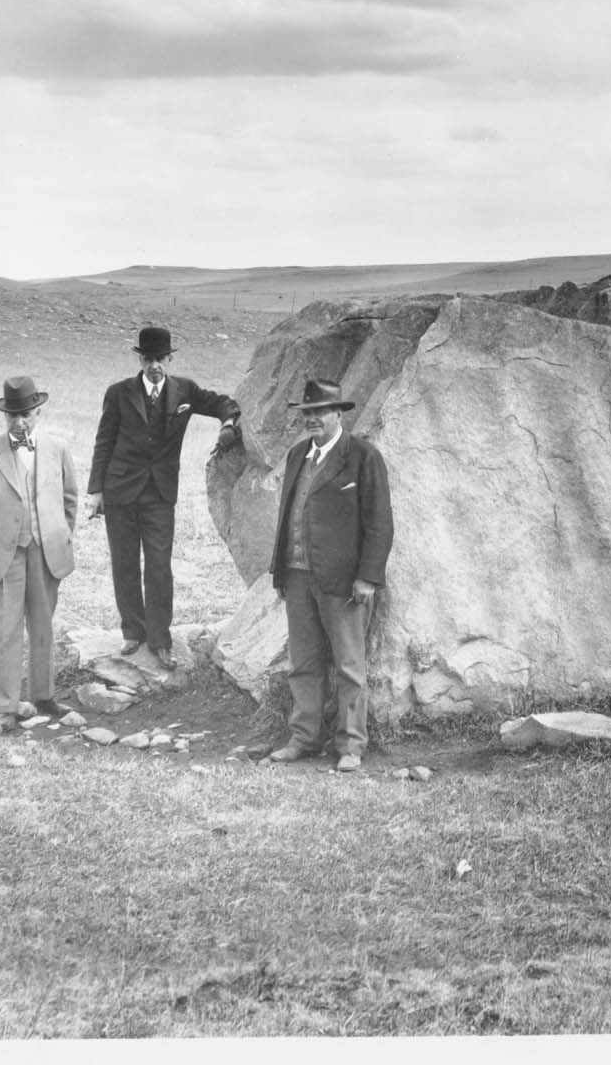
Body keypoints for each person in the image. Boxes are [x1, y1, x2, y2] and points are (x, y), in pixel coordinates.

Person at [85, 326, 241, 668]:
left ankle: (159, 638)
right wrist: (96, 491)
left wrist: (228, 424)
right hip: (121, 490)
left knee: (158, 566)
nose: (154, 364)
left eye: (160, 358)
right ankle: (132, 632)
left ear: (169, 358)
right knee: (124, 563)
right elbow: (103, 442)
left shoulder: (184, 390)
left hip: (160, 493)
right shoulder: (118, 393)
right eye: (148, 358)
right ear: (140, 359)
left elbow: (221, 403)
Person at [264, 379, 393, 773]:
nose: (313, 419)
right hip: (298, 576)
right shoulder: (299, 454)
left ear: (339, 413)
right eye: (307, 412)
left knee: (349, 665)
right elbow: (289, 514)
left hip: (343, 582)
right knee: (303, 662)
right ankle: (304, 738)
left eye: (321, 411)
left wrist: (368, 577)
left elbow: (380, 523)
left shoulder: (363, 456)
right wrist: (280, 571)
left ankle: (351, 744)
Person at [0, 376, 78, 732]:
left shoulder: (58, 449)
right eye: (12, 416)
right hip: (3, 555)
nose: (19, 422)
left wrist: (58, 537)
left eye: (25, 414)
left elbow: (70, 500)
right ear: (4, 416)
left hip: (45, 552)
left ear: (38, 411)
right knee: (3, 629)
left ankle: (44, 695)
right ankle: (6, 705)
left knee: (43, 625)